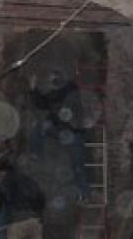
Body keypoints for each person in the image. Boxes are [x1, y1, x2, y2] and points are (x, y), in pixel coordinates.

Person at [28, 69, 90, 201]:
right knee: (39, 126)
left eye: (53, 80)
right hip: (64, 133)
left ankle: (84, 193)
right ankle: (36, 154)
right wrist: (33, 89)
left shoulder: (69, 91)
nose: (51, 84)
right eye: (51, 81)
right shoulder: (57, 94)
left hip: (74, 135)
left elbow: (51, 102)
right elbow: (43, 103)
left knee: (78, 166)